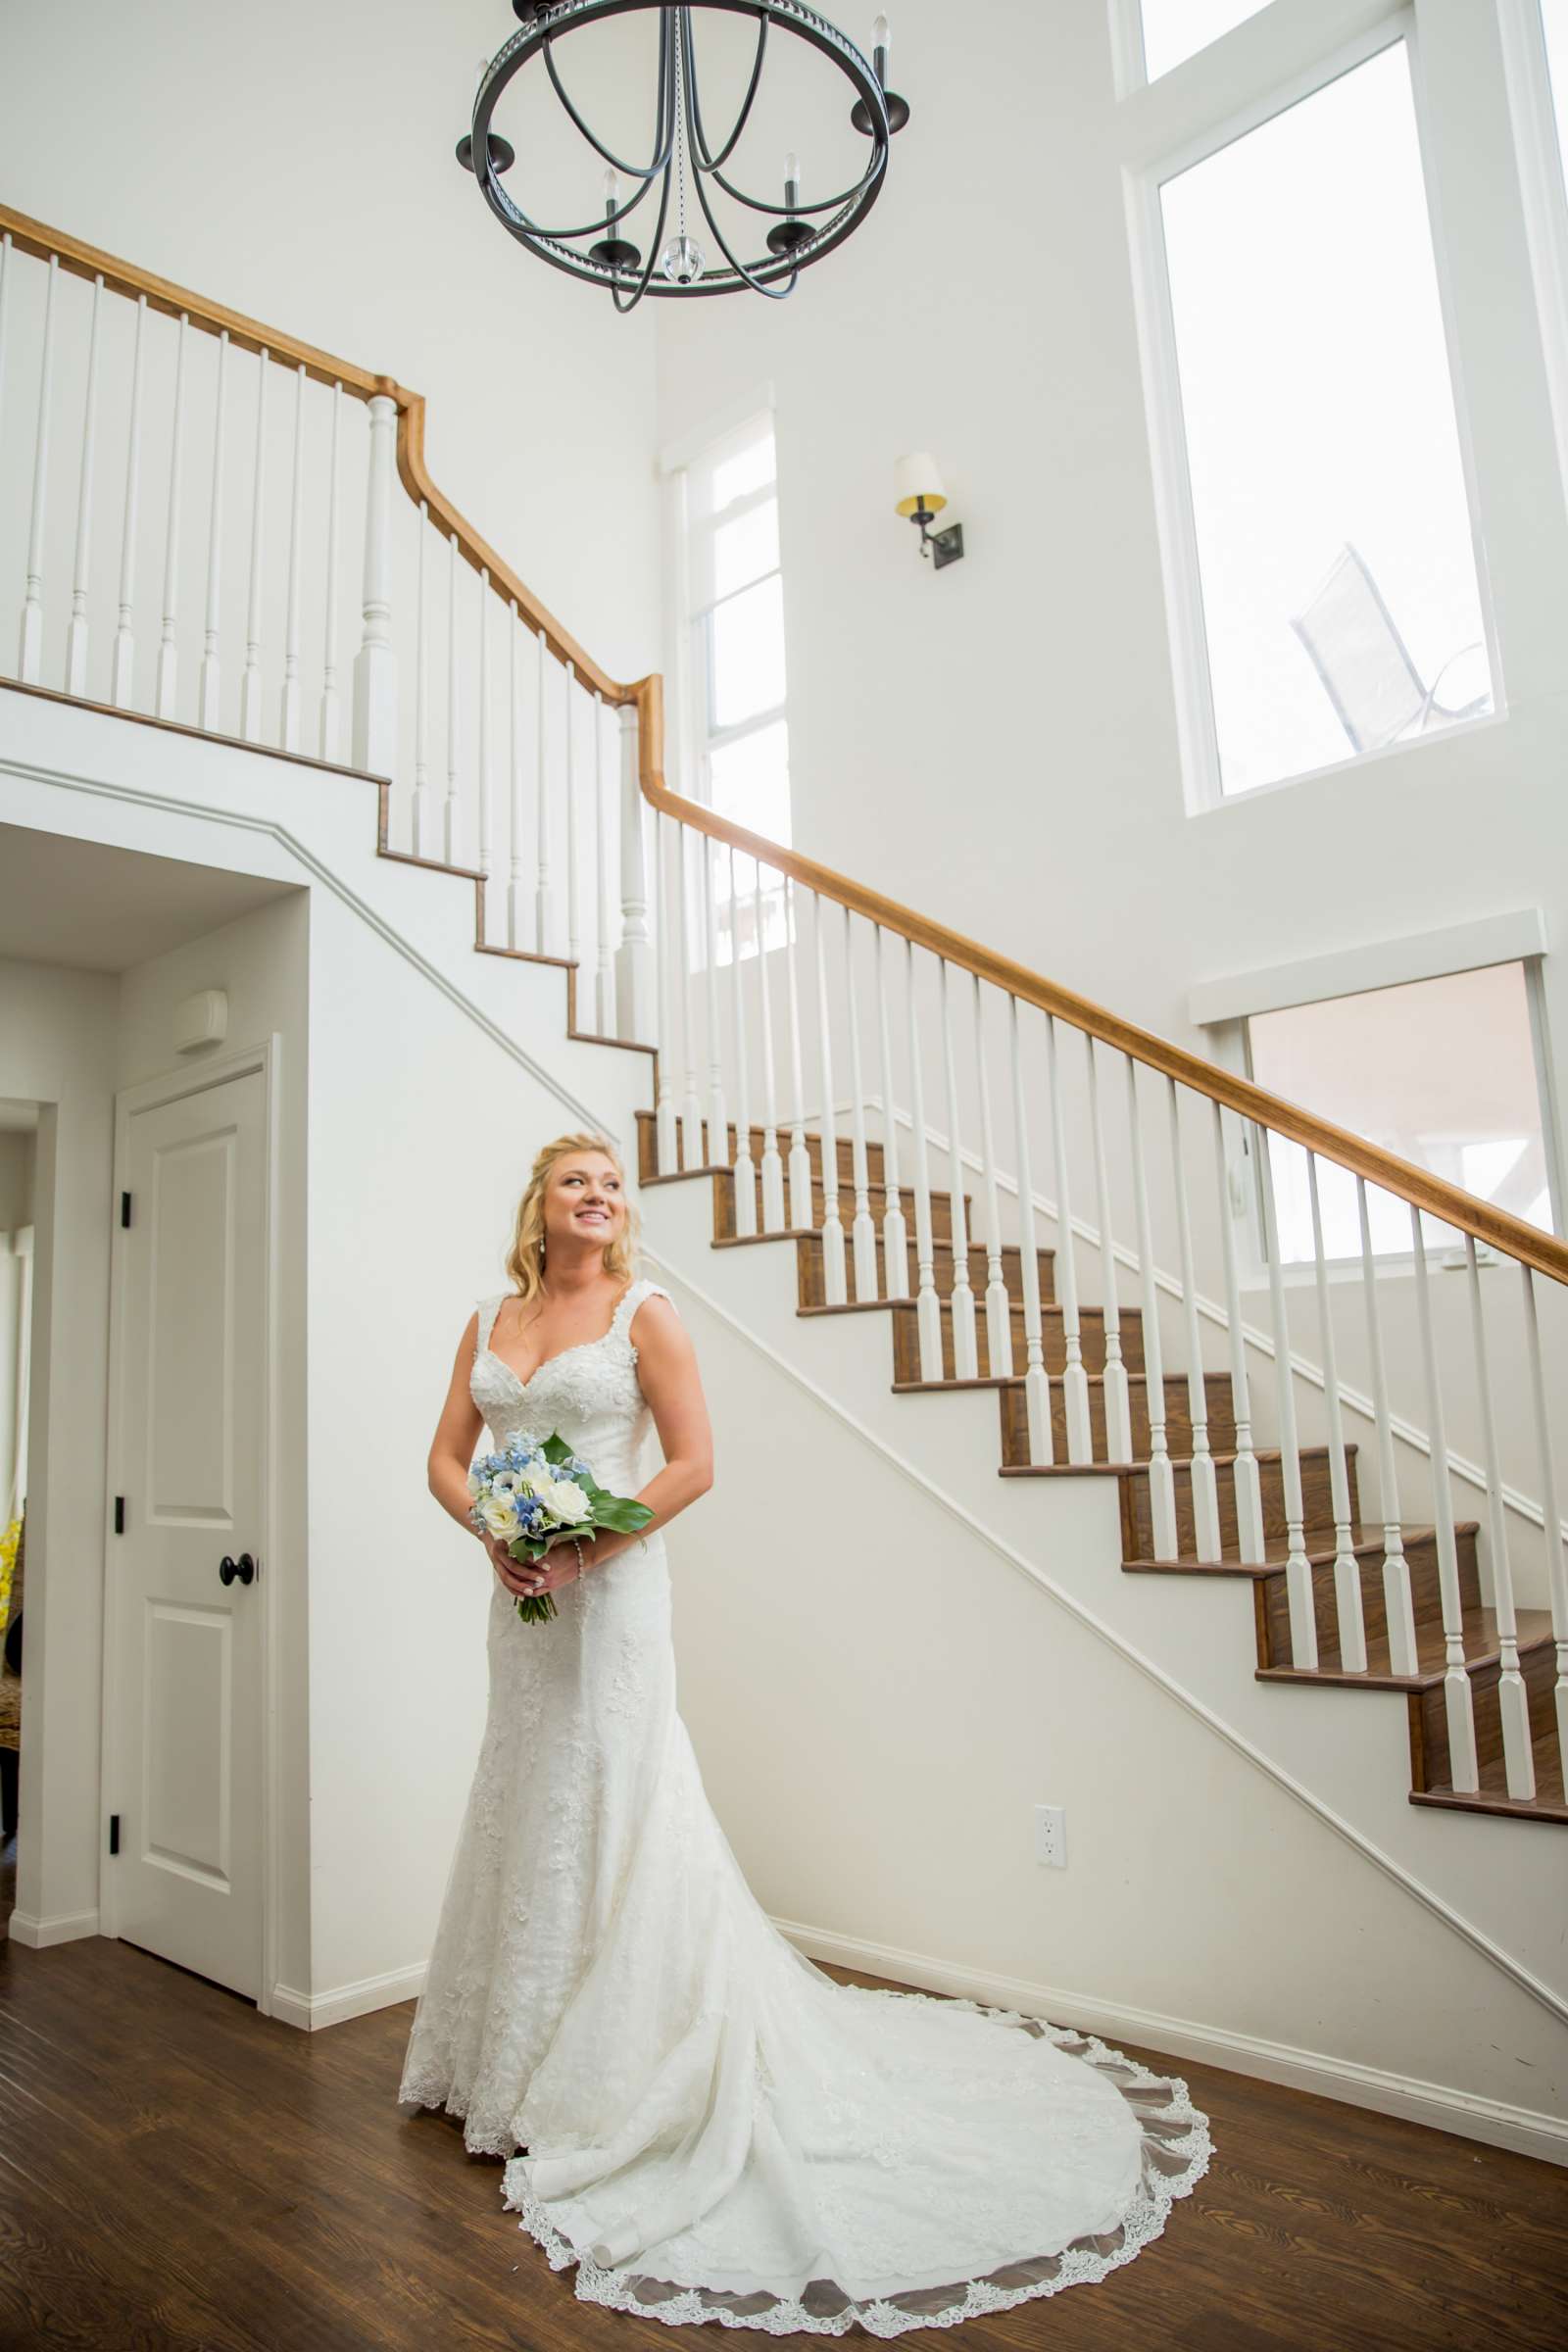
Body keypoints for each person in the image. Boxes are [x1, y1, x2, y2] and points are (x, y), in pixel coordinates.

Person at [398, 1129, 1212, 2332]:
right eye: (579, 1181)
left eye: (613, 1185)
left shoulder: (645, 1313)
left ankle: (621, 2071)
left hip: (612, 1596)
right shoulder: (489, 1321)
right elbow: (444, 1460)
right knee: (523, 1787)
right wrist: (503, 1542)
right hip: (520, 1597)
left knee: (614, 1789)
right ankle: (504, 2067)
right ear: (539, 1201)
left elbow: (694, 1464)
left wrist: (588, 1547)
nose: (601, 1197)